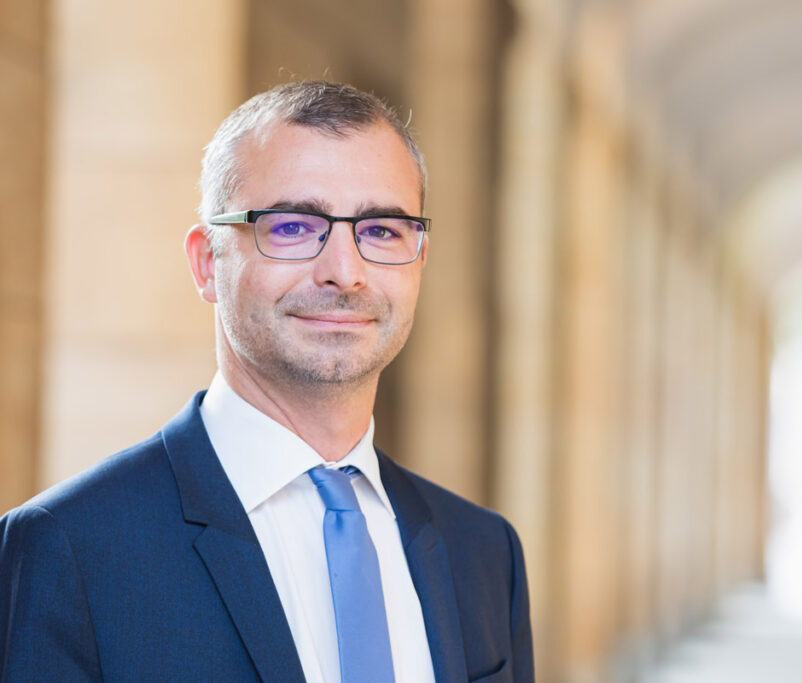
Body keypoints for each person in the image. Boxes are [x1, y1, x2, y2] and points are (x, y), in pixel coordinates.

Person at [0, 81, 533, 683]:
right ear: (208, 262)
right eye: (293, 228)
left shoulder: (485, 554)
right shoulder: (71, 549)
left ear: (420, 261)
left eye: (381, 231)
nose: (345, 273)